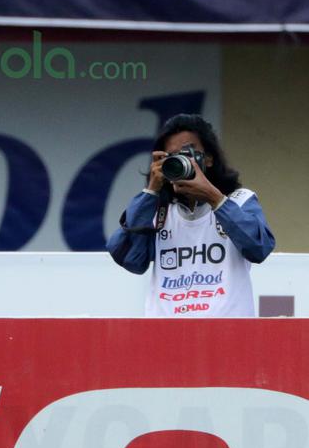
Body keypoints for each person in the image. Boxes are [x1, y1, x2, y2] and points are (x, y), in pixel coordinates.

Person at [107, 114, 275, 316]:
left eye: (188, 153)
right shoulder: (157, 210)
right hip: (167, 332)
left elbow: (259, 248)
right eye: (172, 156)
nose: (180, 161)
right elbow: (130, 259)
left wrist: (215, 199)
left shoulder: (239, 200)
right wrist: (151, 191)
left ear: (209, 158)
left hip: (227, 331)